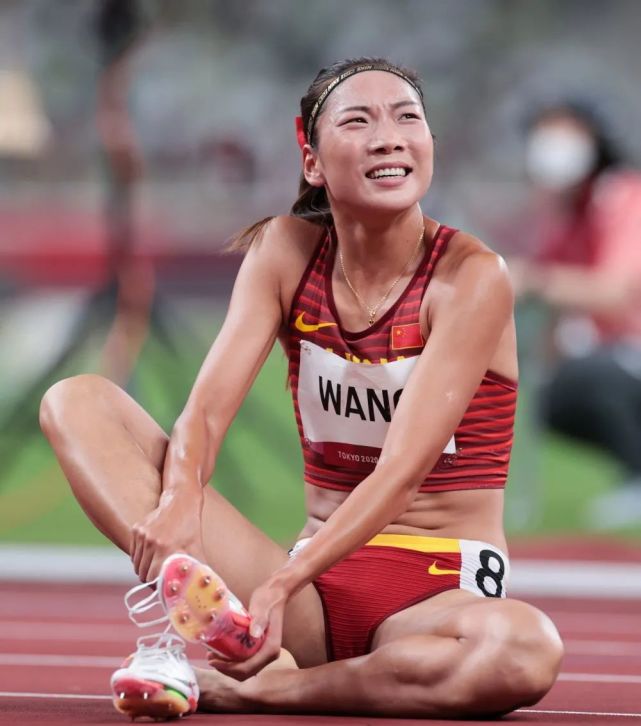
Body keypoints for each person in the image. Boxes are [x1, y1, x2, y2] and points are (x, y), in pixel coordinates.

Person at [40, 57, 563, 719]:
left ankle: (274, 687)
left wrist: (281, 585)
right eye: (359, 120)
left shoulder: (471, 275)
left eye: (407, 118)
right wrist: (179, 499)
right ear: (312, 160)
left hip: (429, 600)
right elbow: (203, 413)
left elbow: (401, 474)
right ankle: (209, 628)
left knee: (522, 649)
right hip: (308, 594)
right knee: (76, 400)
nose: (389, 136)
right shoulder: (285, 250)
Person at [512, 100, 641, 528]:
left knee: (590, 374)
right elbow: (553, 304)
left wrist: (531, 278)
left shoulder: (624, 197)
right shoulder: (566, 216)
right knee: (555, 396)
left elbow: (612, 293)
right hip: (618, 356)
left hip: (627, 353)